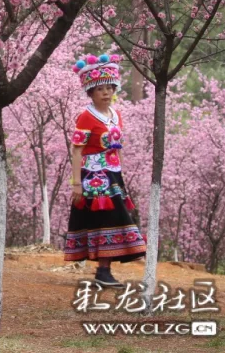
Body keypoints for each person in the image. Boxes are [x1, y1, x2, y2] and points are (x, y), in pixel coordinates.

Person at [64, 54, 146, 288]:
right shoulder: (86, 117)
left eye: (110, 87)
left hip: (113, 175)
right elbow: (77, 151)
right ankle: (102, 270)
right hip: (94, 178)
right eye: (100, 89)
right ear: (91, 92)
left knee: (114, 219)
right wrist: (76, 184)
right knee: (105, 220)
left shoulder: (116, 115)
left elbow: (117, 147)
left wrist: (120, 172)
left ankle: (104, 270)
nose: (106, 93)